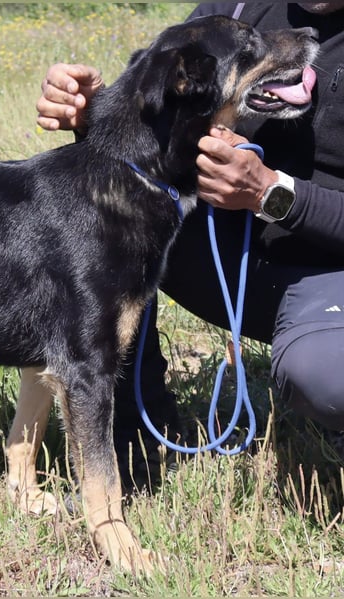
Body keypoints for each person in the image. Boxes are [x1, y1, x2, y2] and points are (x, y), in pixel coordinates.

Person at [34, 2, 344, 481]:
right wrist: (93, 112)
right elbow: (168, 110)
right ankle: (135, 447)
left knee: (327, 376)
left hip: (326, 276)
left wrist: (273, 194)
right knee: (105, 222)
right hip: (221, 258)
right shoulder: (238, 9)